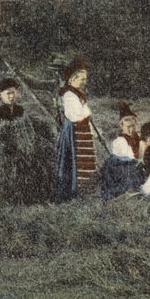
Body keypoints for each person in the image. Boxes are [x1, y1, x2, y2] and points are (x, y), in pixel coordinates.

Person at [54, 57, 96, 201]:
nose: (84, 82)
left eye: (85, 79)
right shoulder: (69, 94)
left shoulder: (79, 95)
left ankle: (83, 189)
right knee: (72, 161)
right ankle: (71, 191)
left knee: (83, 161)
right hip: (73, 132)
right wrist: (87, 112)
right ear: (72, 80)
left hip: (81, 131)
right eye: (81, 79)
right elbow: (74, 115)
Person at [99, 101, 144, 199]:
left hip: (134, 163)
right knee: (131, 170)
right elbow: (131, 157)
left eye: (133, 126)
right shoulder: (120, 141)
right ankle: (130, 190)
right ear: (122, 126)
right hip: (119, 166)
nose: (131, 129)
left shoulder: (138, 137)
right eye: (128, 127)